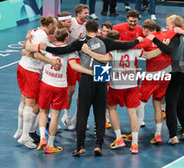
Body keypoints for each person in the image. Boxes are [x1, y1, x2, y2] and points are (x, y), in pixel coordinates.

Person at [26, 20, 143, 157]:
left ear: (86, 30)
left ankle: (80, 146)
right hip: (101, 75)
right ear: (97, 29)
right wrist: (138, 39)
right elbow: (126, 44)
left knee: (82, 113)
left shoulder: (80, 42)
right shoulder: (106, 41)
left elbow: (61, 50)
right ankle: (98, 145)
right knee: (100, 114)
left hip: (86, 77)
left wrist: (46, 48)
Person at [81, 30, 163, 153]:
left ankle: (119, 138)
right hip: (131, 84)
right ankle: (134, 144)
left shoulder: (111, 51)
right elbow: (149, 55)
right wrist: (163, 47)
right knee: (132, 113)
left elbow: (103, 59)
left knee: (111, 108)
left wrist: (88, 51)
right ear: (120, 37)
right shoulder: (132, 48)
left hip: (116, 86)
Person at [37, 28, 92, 154]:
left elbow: (34, 53)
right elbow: (74, 66)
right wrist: (89, 71)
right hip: (60, 87)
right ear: (67, 38)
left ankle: (42, 137)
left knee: (43, 112)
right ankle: (50, 145)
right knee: (55, 115)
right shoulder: (69, 51)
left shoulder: (47, 47)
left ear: (55, 36)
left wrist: (49, 60)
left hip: (46, 84)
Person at [148, 14, 184, 144]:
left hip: (177, 73)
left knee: (171, 105)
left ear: (174, 25)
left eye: (168, 24)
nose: (167, 26)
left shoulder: (176, 37)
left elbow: (168, 50)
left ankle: (173, 136)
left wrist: (154, 40)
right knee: (182, 102)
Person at [14, 15, 59, 149]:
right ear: (50, 25)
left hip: (23, 67)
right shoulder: (42, 36)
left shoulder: (35, 31)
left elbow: (25, 47)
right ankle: (25, 136)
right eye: (55, 26)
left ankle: (20, 130)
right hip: (31, 71)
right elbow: (35, 53)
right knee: (30, 103)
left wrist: (27, 47)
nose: (55, 28)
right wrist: (51, 61)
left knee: (23, 100)